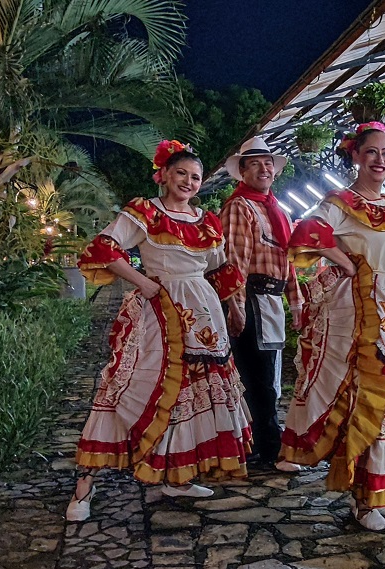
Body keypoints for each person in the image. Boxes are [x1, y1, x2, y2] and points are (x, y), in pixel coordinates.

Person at [67, 140, 252, 522]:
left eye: (196, 177)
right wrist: (145, 283)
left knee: (189, 393)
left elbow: (220, 271)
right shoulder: (146, 212)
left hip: (203, 318)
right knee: (132, 386)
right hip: (158, 314)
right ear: (164, 175)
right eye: (181, 173)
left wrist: (235, 308)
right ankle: (85, 485)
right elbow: (105, 248)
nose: (188, 181)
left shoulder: (207, 221)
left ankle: (177, 476)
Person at [279, 122, 385, 531]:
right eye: (372, 152)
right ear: (355, 156)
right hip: (366, 311)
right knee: (370, 395)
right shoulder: (342, 201)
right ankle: (363, 497)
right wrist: (347, 262)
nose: (380, 160)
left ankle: (377, 489)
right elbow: (308, 232)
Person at [220, 137, 305, 473]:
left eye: (267, 162)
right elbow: (235, 262)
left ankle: (265, 441)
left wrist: (296, 301)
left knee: (267, 374)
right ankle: (268, 446)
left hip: (270, 298)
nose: (264, 168)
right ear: (242, 171)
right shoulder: (241, 207)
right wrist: (236, 305)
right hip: (253, 297)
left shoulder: (274, 209)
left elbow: (289, 259)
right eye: (254, 163)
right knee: (257, 377)